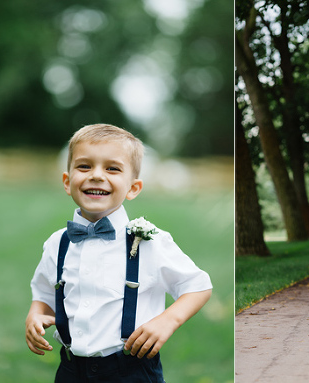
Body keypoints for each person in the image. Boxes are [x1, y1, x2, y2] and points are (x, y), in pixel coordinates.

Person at [25, 124, 213, 382]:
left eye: (112, 168)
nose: (97, 175)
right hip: (70, 370)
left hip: (131, 370)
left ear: (133, 188)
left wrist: (167, 321)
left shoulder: (149, 241)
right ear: (68, 182)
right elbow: (44, 293)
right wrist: (36, 314)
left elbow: (198, 286)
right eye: (84, 166)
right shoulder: (57, 243)